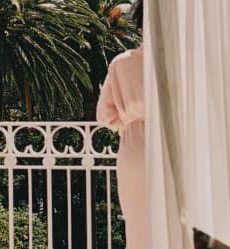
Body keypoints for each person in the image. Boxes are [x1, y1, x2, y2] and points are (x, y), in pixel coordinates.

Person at [96, 1, 144, 248]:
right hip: (179, 144)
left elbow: (105, 115)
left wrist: (129, 124)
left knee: (139, 224)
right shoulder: (186, 65)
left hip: (135, 148)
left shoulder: (122, 63)